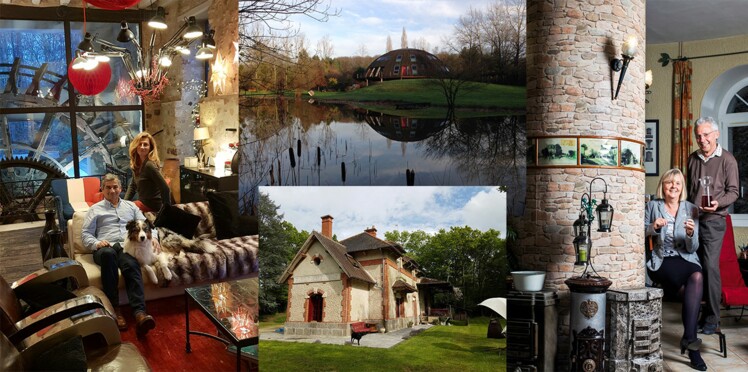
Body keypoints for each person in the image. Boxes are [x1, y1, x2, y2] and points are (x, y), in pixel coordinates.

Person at [646, 168, 705, 371]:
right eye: (669, 182)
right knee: (692, 293)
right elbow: (640, 230)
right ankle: (692, 344)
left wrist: (690, 234)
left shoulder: (691, 208)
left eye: (677, 183)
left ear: (682, 188)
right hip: (662, 260)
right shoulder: (653, 206)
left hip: (686, 257)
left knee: (697, 276)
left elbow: (693, 248)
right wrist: (653, 226)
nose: (673, 186)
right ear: (663, 185)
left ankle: (690, 341)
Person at [82, 173, 156, 335]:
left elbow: (147, 226)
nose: (112, 190)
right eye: (108, 187)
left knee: (131, 264)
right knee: (108, 255)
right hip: (104, 248)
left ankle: (140, 313)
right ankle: (115, 309)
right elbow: (85, 235)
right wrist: (96, 243)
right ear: (102, 189)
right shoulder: (95, 210)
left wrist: (154, 238)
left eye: (115, 187)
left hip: (125, 247)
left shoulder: (131, 207)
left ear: (121, 189)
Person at [687, 116, 739, 336]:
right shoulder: (692, 158)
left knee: (710, 267)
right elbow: (690, 192)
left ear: (716, 134)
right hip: (693, 221)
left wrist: (718, 203)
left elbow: (734, 192)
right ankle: (701, 313)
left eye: (706, 134)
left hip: (715, 221)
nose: (702, 139)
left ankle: (713, 318)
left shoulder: (728, 160)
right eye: (698, 135)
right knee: (696, 269)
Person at [124, 132, 171, 214]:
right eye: (140, 144)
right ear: (136, 146)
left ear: (150, 148)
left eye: (145, 144)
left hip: (151, 205)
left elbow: (165, 188)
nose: (142, 147)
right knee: (121, 208)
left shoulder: (149, 165)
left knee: (124, 212)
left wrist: (166, 211)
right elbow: (133, 186)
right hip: (142, 202)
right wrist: (124, 203)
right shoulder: (137, 164)